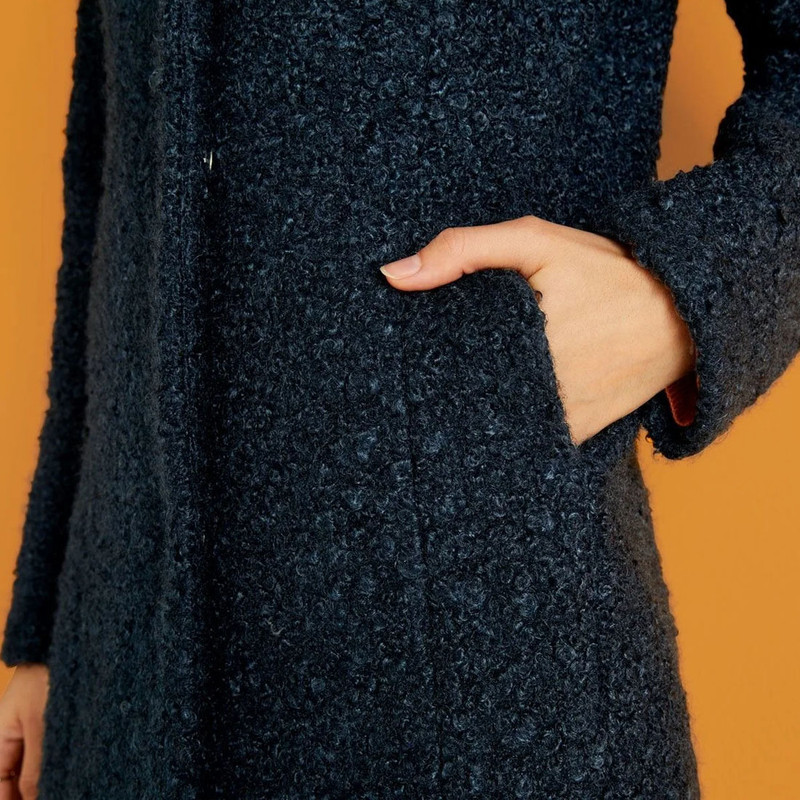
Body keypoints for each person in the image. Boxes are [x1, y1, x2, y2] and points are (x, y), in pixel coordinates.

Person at [0, 1, 797, 797]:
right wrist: (45, 630)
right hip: (118, 680)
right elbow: (112, 170)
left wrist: (672, 291)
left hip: (485, 657)